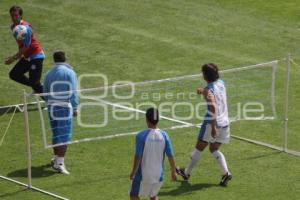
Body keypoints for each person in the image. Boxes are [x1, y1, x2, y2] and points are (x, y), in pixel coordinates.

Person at [176, 63, 232, 186]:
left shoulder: (208, 90)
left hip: (211, 123)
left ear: (205, 75)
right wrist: (202, 91)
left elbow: (213, 106)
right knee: (214, 148)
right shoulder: (221, 83)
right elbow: (212, 93)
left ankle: (186, 172)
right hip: (225, 123)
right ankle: (226, 173)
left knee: (199, 147)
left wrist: (213, 126)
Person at [43, 51, 79, 175]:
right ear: (65, 58)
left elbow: (45, 90)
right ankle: (59, 163)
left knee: (56, 134)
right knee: (64, 136)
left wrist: (49, 103)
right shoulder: (69, 72)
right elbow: (74, 91)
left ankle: (56, 159)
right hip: (64, 107)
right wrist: (75, 108)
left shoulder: (49, 73)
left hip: (51, 107)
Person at [129, 108, 177, 200]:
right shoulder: (164, 135)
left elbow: (138, 156)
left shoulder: (141, 135)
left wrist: (133, 172)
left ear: (146, 119)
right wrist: (173, 171)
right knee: (153, 196)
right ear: (158, 119)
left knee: (134, 195)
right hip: (158, 175)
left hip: (143, 174)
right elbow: (170, 155)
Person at [5, 5, 45, 94]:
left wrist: (13, 58)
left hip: (36, 57)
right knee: (14, 74)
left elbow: (26, 46)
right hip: (27, 57)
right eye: (12, 15)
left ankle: (51, 103)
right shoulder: (13, 28)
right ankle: (37, 86)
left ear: (20, 16)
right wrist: (17, 55)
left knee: (35, 84)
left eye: (16, 15)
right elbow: (21, 45)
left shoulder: (26, 28)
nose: (14, 18)